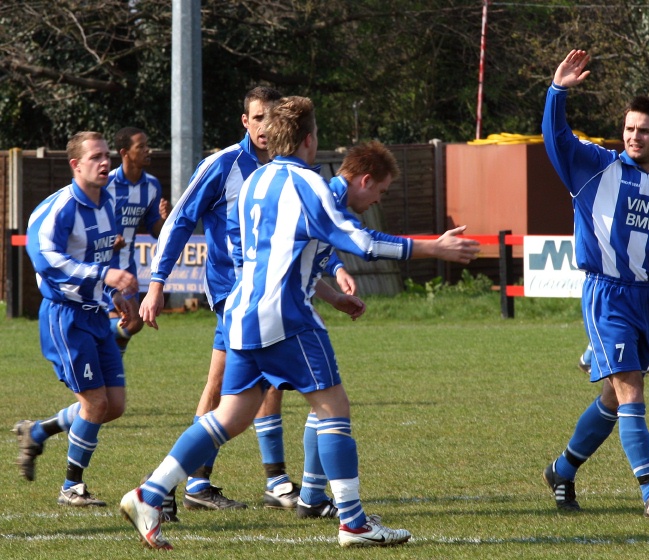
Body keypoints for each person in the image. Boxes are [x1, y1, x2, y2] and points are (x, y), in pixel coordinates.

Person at [120, 95, 480, 550]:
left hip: (242, 312)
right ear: (310, 139)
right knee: (333, 408)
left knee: (230, 416)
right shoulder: (308, 183)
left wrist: (325, 288)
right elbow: (359, 241)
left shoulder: (255, 181)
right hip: (286, 316)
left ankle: (149, 492)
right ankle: (352, 522)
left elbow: (276, 250)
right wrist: (433, 248)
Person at [137, 86, 353, 516]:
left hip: (268, 297)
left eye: (270, 120)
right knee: (223, 389)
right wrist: (157, 282)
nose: (264, 128)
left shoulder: (284, 170)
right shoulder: (223, 165)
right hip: (233, 294)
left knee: (261, 386)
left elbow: (302, 236)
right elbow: (180, 219)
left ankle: (266, 480)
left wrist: (333, 274)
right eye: (257, 119)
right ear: (245, 121)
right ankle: (183, 485)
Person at [541, 50, 649, 519]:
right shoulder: (594, 167)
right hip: (606, 294)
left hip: (646, 300)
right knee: (631, 390)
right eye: (628, 129)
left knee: (612, 398)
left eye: (642, 131)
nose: (633, 136)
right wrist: (557, 92)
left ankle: (562, 469)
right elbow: (556, 139)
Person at [16, 131, 138, 506]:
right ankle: (71, 488)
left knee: (112, 405)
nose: (105, 163)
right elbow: (45, 259)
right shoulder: (59, 208)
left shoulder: (109, 202)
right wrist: (106, 278)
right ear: (76, 165)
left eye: (107, 156)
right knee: (95, 404)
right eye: (96, 157)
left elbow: (102, 258)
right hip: (65, 317)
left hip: (96, 314)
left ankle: (37, 432)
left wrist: (115, 296)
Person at [294, 139, 402, 520]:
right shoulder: (319, 193)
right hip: (278, 315)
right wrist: (433, 248)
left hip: (286, 310)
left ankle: (309, 495)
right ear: (366, 180)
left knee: (319, 399)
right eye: (380, 192)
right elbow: (368, 244)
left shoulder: (330, 200)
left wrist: (336, 285)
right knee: (232, 409)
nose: (378, 201)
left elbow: (314, 251)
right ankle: (159, 489)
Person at [105, 127, 171, 355]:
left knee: (133, 323)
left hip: (126, 266)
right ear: (125, 152)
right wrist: (107, 240)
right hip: (101, 265)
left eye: (146, 145)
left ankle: (105, 358)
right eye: (140, 146)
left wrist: (164, 219)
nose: (147, 150)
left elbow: (155, 231)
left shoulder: (151, 185)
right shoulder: (107, 184)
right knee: (132, 321)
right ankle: (105, 364)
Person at [578, 280, 649, 376]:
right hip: (619, 283)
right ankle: (588, 358)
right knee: (624, 373)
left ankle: (588, 359)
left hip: (644, 273)